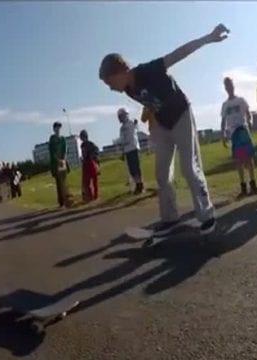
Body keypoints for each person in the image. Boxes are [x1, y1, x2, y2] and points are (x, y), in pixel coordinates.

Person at [98, 23, 229, 234]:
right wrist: (155, 128)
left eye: (109, 82)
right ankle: (170, 218)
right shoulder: (128, 90)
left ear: (120, 72)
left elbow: (178, 54)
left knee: (189, 168)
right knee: (161, 173)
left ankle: (206, 216)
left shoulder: (148, 70)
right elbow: (151, 102)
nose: (111, 88)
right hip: (163, 124)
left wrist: (209, 37)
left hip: (182, 116)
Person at [221, 77, 257, 198]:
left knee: (249, 158)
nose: (229, 87)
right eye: (227, 85)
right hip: (234, 134)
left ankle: (253, 183)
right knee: (239, 160)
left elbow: (248, 113)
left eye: (230, 84)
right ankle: (243, 186)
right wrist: (223, 134)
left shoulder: (241, 100)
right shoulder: (225, 105)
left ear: (233, 86)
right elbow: (223, 120)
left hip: (243, 130)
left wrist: (250, 121)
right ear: (225, 88)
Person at [117, 108, 144, 195]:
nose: (120, 118)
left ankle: (140, 184)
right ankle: (137, 184)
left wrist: (136, 123)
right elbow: (122, 139)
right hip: (127, 149)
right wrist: (122, 151)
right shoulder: (122, 128)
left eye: (121, 116)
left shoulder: (131, 123)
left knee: (136, 167)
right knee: (131, 169)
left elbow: (136, 128)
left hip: (133, 148)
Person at [49, 122, 70, 208]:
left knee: (64, 181)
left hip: (63, 162)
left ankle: (67, 199)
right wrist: (58, 160)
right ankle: (61, 202)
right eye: (56, 128)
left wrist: (64, 159)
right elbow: (52, 151)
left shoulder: (63, 139)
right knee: (59, 182)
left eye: (59, 128)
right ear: (54, 129)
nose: (58, 130)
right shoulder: (52, 138)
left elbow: (65, 150)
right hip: (56, 163)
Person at [79, 129, 100, 202]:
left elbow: (96, 151)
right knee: (87, 181)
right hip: (86, 163)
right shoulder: (82, 145)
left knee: (94, 180)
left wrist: (93, 157)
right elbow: (84, 154)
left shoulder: (91, 144)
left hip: (91, 163)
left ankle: (96, 196)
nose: (82, 138)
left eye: (83, 137)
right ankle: (90, 196)